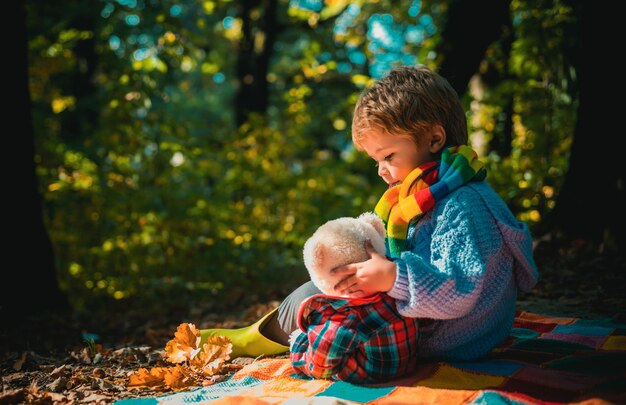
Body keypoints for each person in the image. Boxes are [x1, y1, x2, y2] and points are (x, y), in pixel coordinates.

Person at [200, 65, 538, 364]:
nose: (381, 170)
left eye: (389, 156)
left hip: (449, 338)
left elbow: (459, 291)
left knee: (318, 299)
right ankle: (256, 335)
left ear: (435, 138)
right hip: (431, 322)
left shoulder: (464, 204)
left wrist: (392, 277)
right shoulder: (426, 195)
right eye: (376, 160)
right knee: (330, 284)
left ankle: (257, 340)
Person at [289, 213, 420, 383]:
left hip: (370, 374)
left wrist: (298, 353)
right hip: (408, 363)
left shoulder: (344, 316)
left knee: (312, 339)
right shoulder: (396, 288)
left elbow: (320, 365)